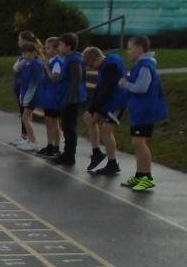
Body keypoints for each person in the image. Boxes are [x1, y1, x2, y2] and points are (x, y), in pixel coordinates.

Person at [118, 35, 167, 192]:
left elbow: (142, 87)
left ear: (139, 48)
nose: (128, 51)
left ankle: (147, 177)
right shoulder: (139, 65)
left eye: (130, 48)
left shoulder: (145, 66)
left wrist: (126, 84)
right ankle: (140, 175)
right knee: (136, 142)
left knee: (140, 142)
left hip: (145, 110)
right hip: (138, 109)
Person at [82, 46, 128, 176]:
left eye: (92, 65)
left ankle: (112, 163)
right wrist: (90, 109)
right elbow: (100, 87)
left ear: (96, 58)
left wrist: (93, 107)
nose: (92, 68)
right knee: (88, 118)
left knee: (106, 130)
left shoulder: (110, 66)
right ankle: (97, 152)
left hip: (117, 101)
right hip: (108, 99)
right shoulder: (105, 63)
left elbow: (106, 90)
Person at [51, 32, 86, 166]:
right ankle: (67, 153)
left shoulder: (75, 60)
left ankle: (69, 155)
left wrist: (71, 99)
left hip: (72, 99)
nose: (58, 47)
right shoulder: (68, 58)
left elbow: (75, 80)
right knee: (66, 126)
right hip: (67, 97)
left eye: (60, 45)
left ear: (68, 46)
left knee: (69, 127)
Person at [11, 38, 46, 150]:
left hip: (32, 95)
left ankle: (33, 142)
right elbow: (24, 80)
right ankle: (30, 140)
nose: (23, 54)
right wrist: (22, 94)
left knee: (25, 117)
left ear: (33, 53)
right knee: (27, 117)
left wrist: (27, 98)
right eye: (23, 52)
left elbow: (34, 84)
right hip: (26, 93)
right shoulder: (27, 63)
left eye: (26, 52)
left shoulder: (36, 64)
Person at [35, 37, 63, 158]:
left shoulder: (57, 62)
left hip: (54, 95)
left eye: (48, 48)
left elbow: (55, 78)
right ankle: (49, 144)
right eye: (45, 47)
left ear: (56, 50)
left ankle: (56, 147)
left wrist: (46, 68)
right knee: (48, 121)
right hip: (47, 95)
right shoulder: (50, 61)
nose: (46, 50)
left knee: (54, 121)